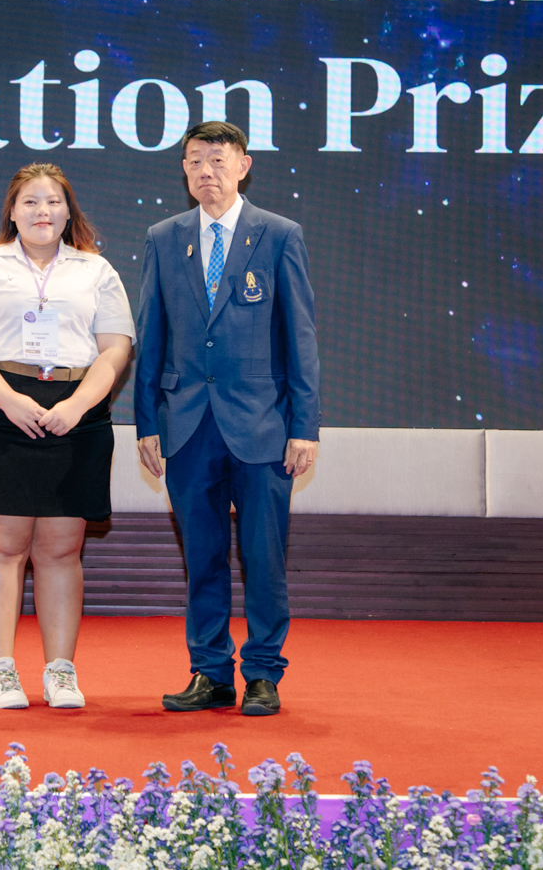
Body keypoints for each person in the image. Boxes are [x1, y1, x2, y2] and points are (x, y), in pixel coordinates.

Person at [134, 121, 319, 716]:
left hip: (263, 425)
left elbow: (301, 338)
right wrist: (146, 422)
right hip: (187, 425)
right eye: (194, 161)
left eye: (217, 159)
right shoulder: (164, 238)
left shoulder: (279, 235)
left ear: (243, 165)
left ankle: (263, 672)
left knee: (264, 558)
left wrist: (304, 426)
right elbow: (151, 336)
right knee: (203, 558)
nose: (205, 171)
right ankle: (210, 672)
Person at [0, 163, 135, 710]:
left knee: (61, 551)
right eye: (30, 201)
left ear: (69, 212)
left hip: (76, 411)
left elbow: (116, 349)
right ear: (12, 211)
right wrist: (8, 399)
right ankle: (0, 673)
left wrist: (77, 405)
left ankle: (60, 673)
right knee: (2, 549)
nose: (42, 211)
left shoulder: (96, 270)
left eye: (52, 201)